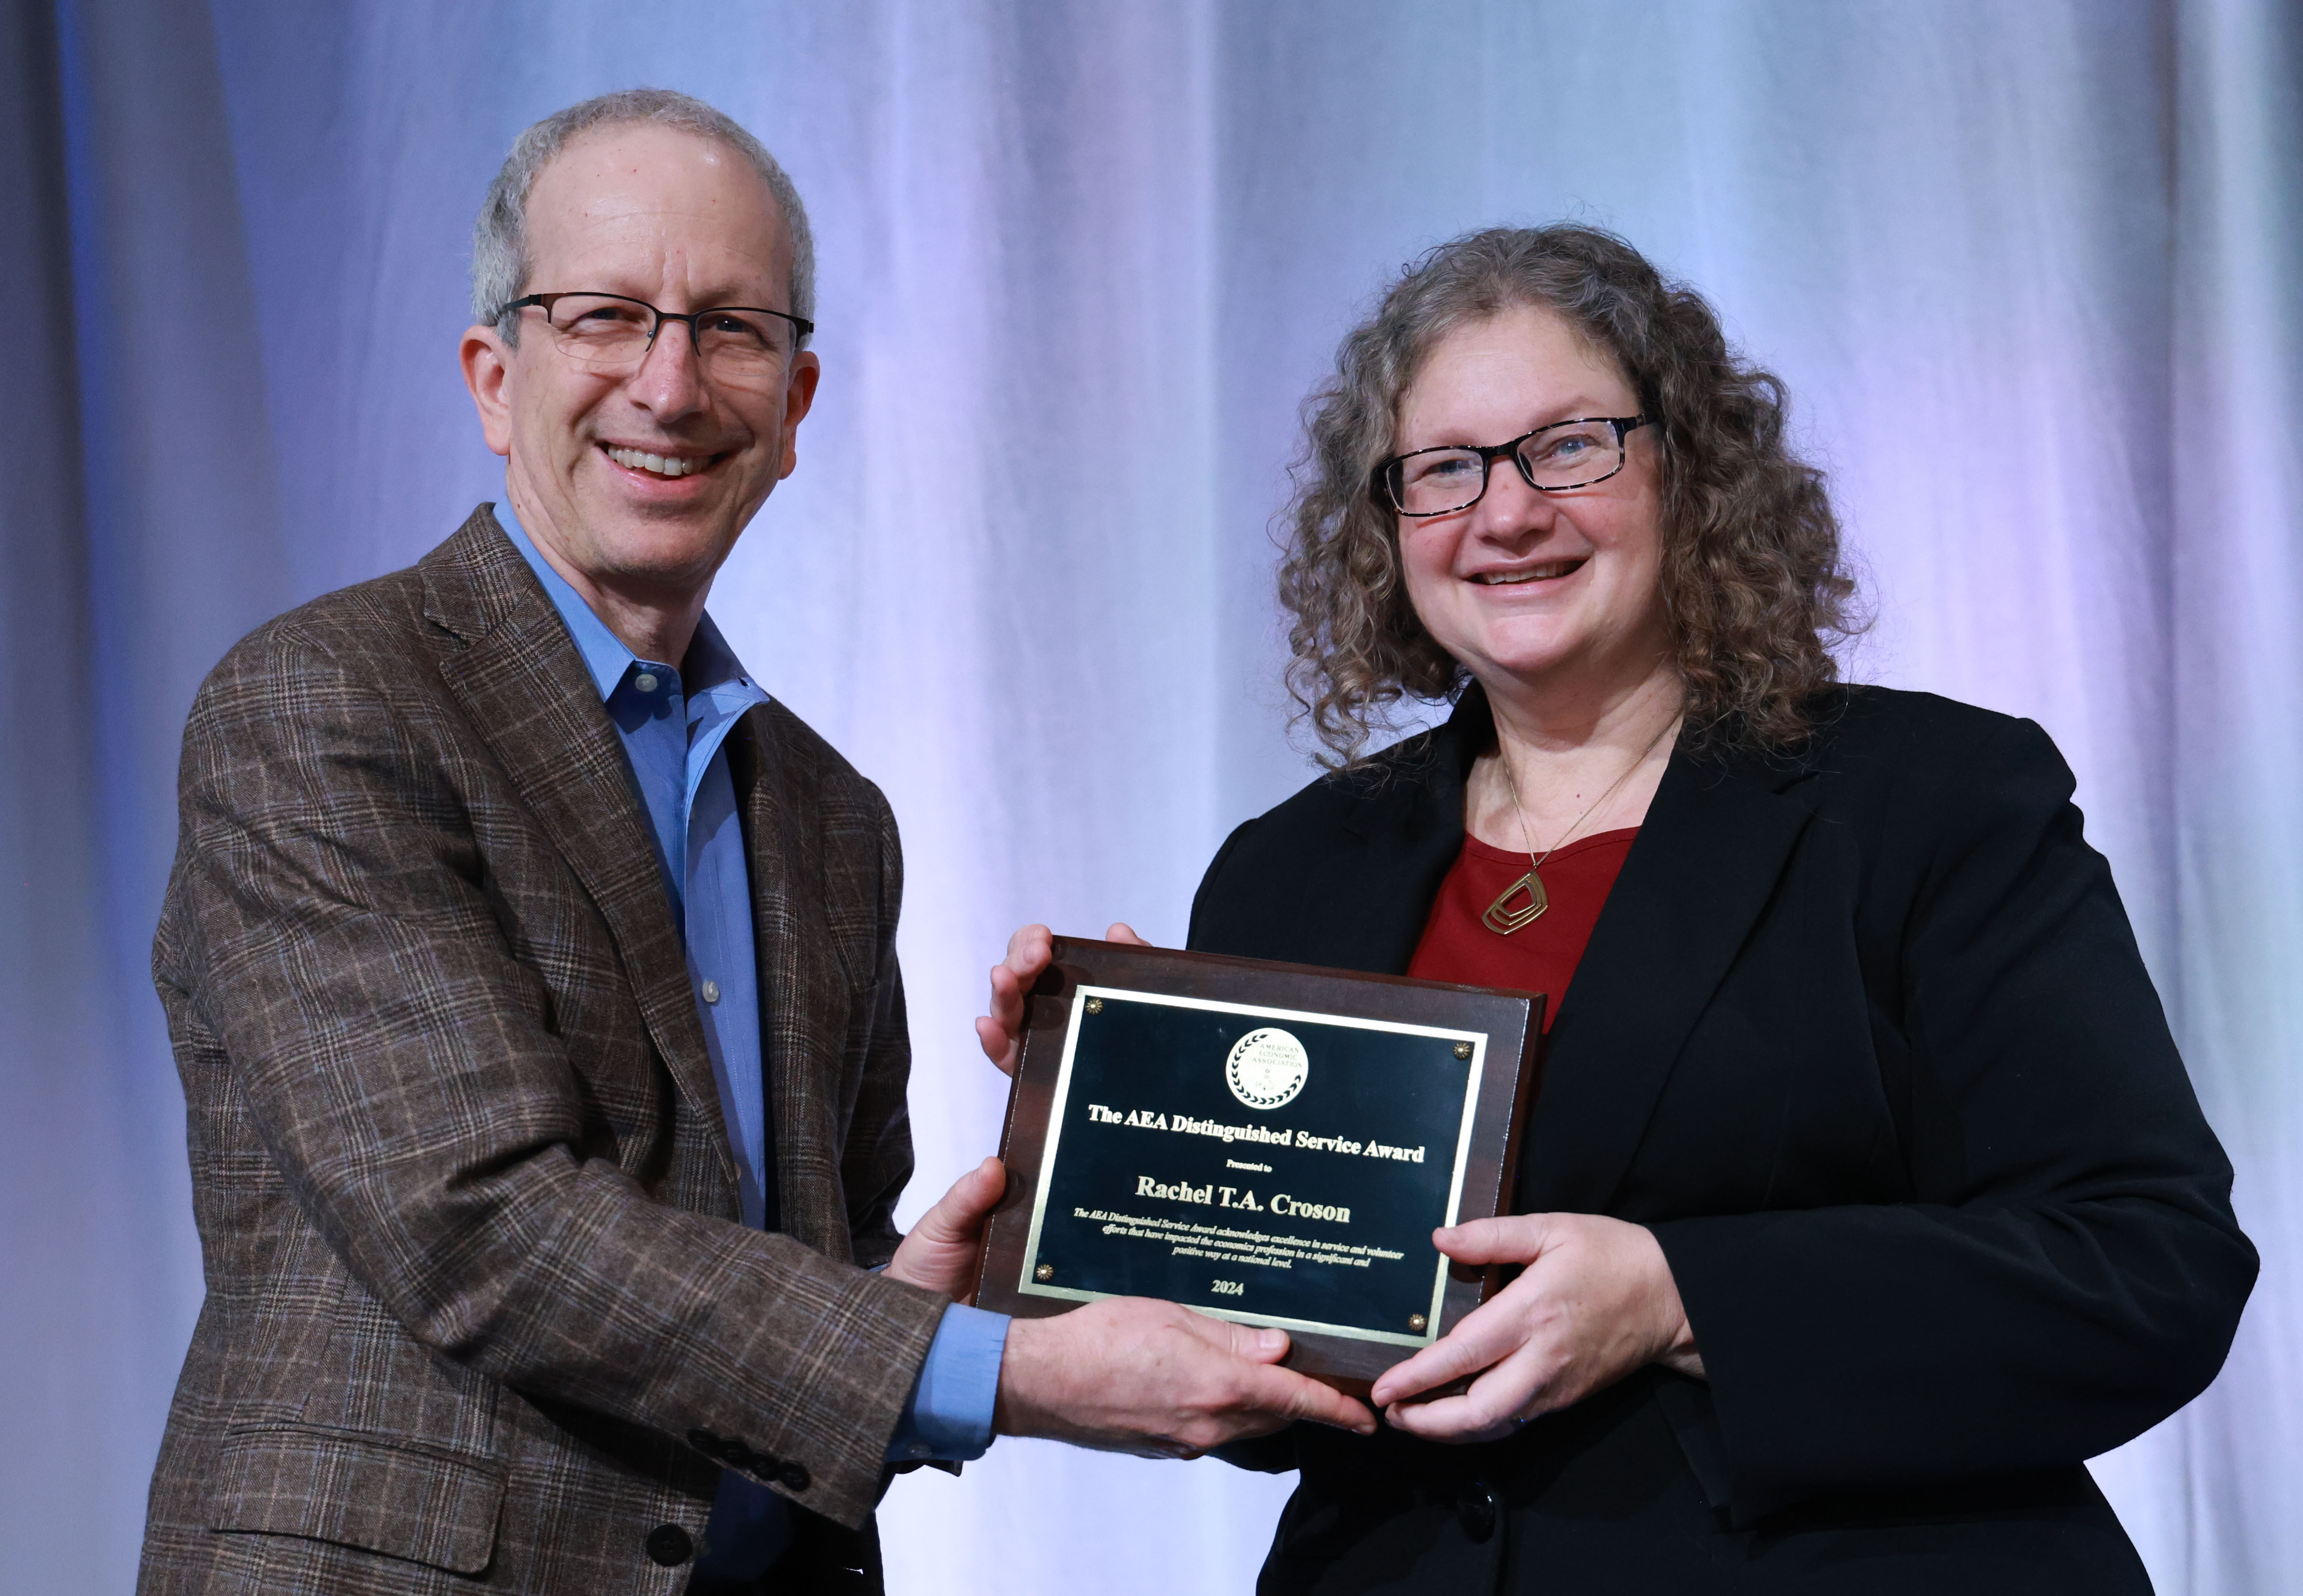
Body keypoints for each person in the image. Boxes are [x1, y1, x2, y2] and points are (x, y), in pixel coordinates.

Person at [141, 89, 1368, 1596]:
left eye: (731, 330)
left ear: (794, 407)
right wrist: (994, 1372)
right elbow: (480, 1226)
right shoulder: (325, 703)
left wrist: (951, 1267)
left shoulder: (835, 817)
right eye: (606, 316)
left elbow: (809, 1302)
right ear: (493, 377)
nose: (670, 387)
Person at [979, 224, 2256, 1593]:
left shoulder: (1928, 803)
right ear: (1386, 524)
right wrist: (1118, 1119)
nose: (1508, 512)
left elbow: (2146, 1268)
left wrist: (1677, 1298)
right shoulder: (1290, 868)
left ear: (1689, 474)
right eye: (1445, 468)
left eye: (1570, 447)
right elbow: (1287, 1382)